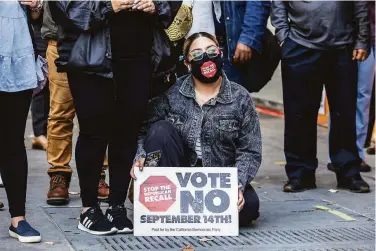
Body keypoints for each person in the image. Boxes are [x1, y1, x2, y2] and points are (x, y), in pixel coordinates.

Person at [50, 0, 174, 235]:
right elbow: (63, 8)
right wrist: (109, 5)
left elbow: (172, 5)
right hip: (90, 58)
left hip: (138, 56)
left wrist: (156, 5)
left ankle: (117, 207)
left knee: (127, 131)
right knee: (93, 130)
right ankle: (89, 209)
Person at [131, 32, 262, 226]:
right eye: (198, 54)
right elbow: (142, 129)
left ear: (220, 53)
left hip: (218, 181)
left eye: (211, 51)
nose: (206, 58)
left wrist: (238, 184)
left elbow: (250, 151)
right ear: (187, 63)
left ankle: (183, 211)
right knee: (160, 130)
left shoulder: (240, 97)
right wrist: (141, 156)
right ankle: (163, 199)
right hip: (177, 178)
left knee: (249, 206)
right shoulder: (173, 93)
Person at [271, 1, 371, 193]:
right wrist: (283, 35)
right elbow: (278, 2)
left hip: (343, 46)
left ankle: (348, 172)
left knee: (345, 112)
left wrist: (362, 39)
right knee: (298, 113)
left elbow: (360, 3)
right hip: (299, 45)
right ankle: (300, 173)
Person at [41, 1, 109, 206]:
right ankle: (58, 175)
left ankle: (97, 175)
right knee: (60, 112)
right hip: (60, 39)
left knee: (99, 113)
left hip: (99, 38)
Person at [0, 0, 42, 243]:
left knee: (13, 139)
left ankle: (18, 219)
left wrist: (35, 6)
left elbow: (37, 16)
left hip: (17, 51)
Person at [175, 1, 270, 93]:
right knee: (188, 99)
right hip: (185, 48)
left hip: (227, 49)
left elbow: (258, 4)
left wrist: (248, 38)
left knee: (230, 100)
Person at [30, 16, 50, 151]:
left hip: (53, 29)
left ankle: (42, 132)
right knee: (42, 83)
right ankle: (39, 133)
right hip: (40, 28)